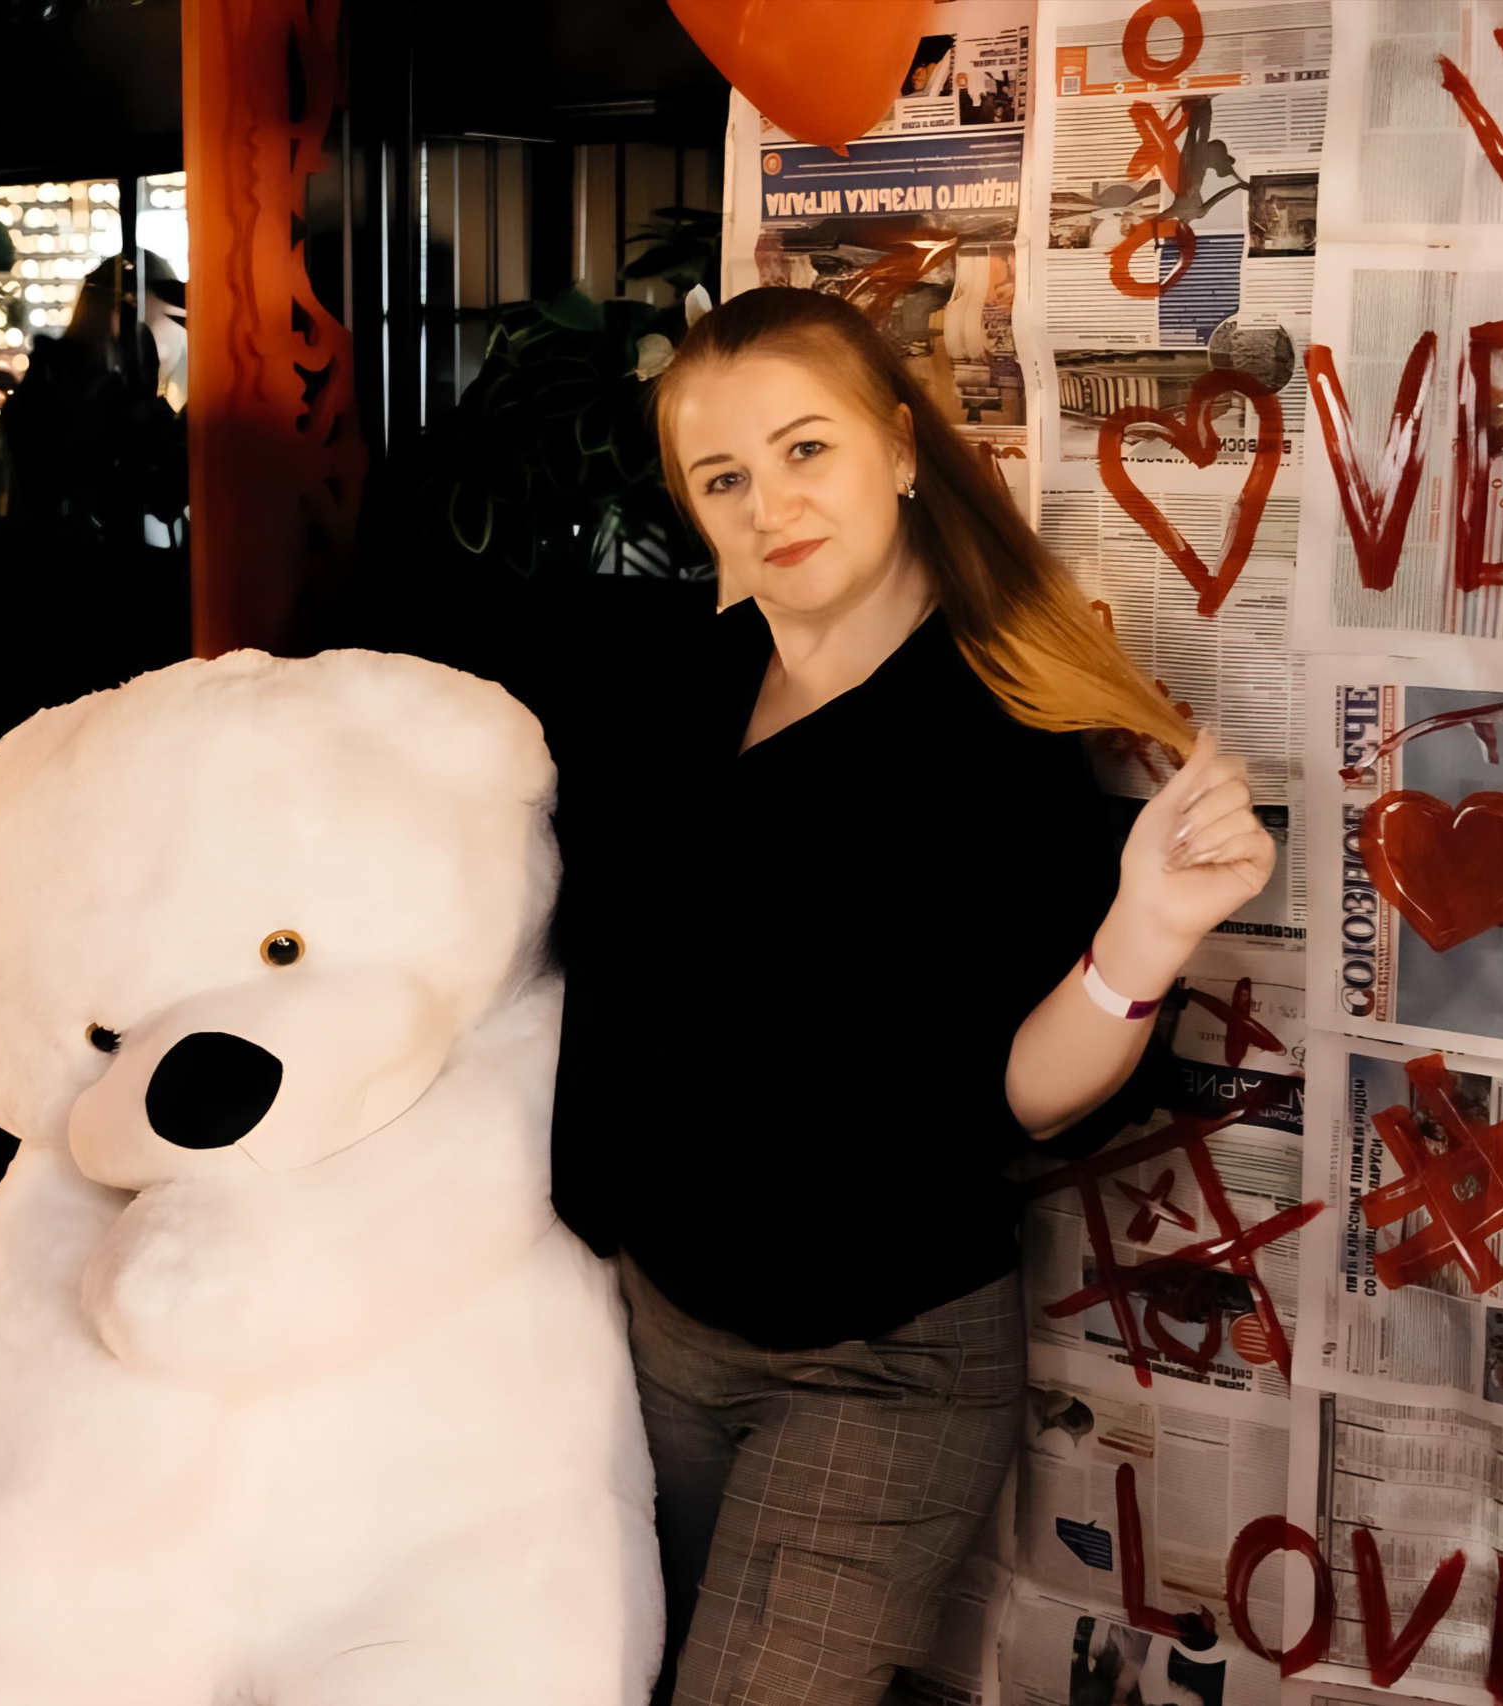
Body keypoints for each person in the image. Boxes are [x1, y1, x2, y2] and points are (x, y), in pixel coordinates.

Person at [542, 287, 1273, 1704]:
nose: (771, 505)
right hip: (652, 1333)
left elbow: (1022, 1093)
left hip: (878, 1369)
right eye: (725, 477)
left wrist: (1147, 930)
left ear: (896, 447)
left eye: (806, 450)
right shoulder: (655, 691)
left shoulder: (998, 744)